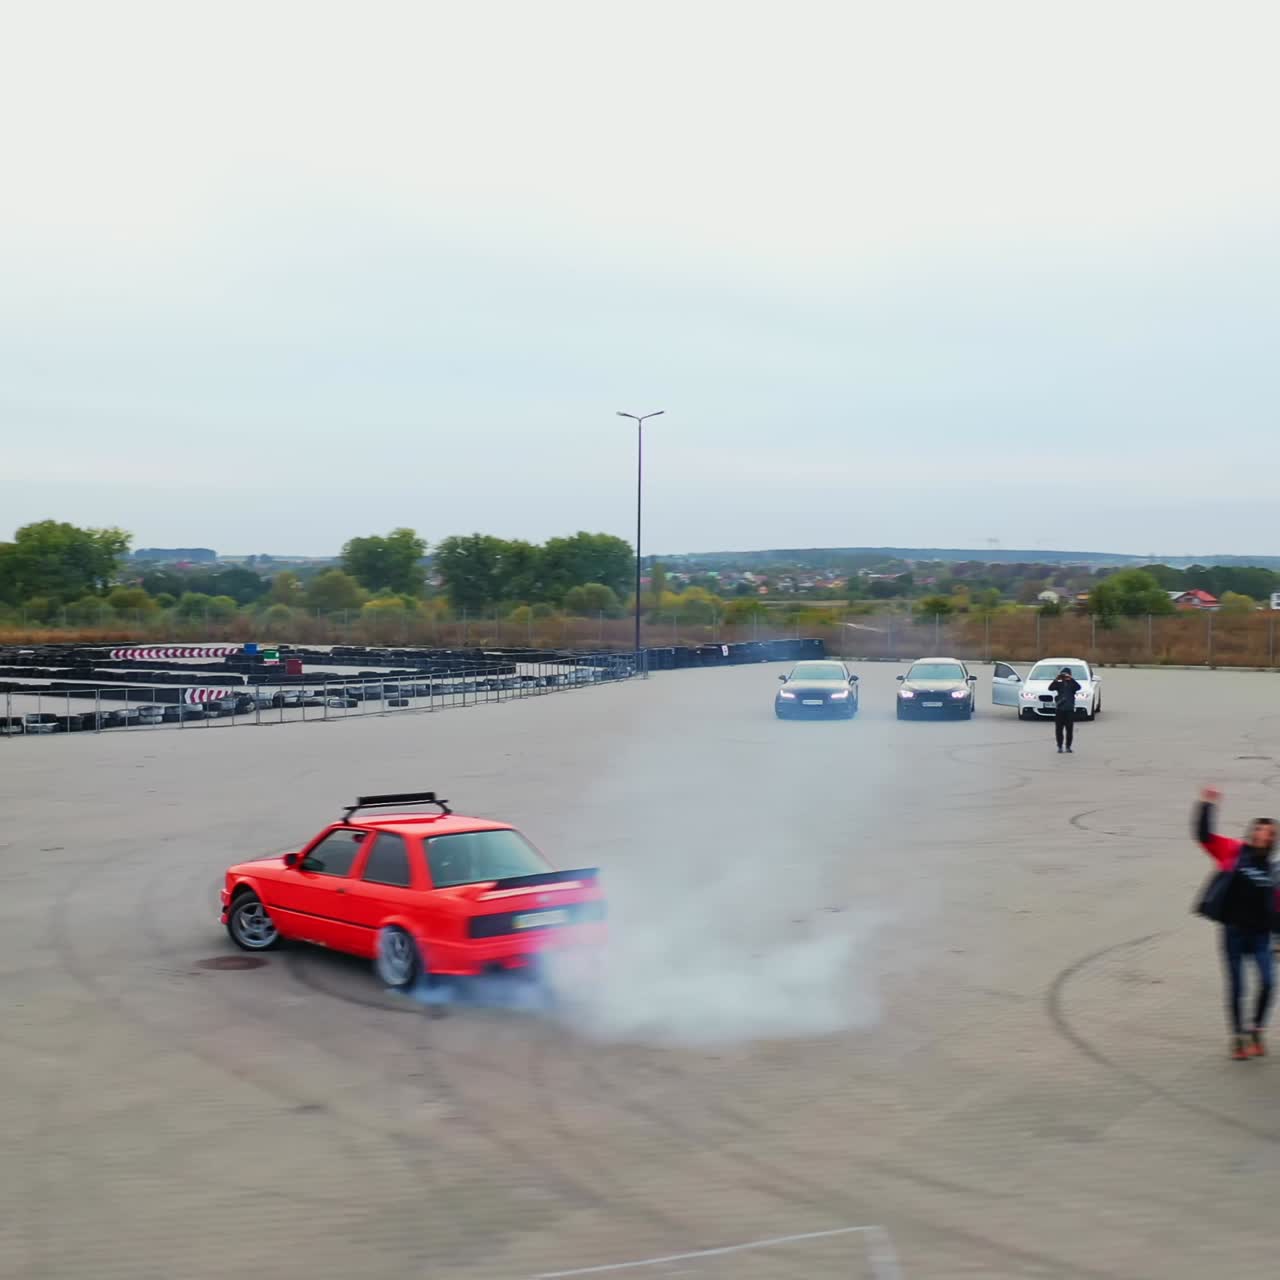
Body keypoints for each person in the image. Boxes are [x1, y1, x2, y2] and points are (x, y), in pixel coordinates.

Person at [1195, 786, 1278, 1060]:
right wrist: (1207, 805)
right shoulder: (1233, 851)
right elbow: (1204, 837)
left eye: (1268, 831)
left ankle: (1256, 1029)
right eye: (1259, 829)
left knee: (1268, 982)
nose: (1262, 833)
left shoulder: (1273, 870)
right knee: (1237, 987)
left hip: (1260, 936)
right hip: (1233, 933)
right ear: (1253, 832)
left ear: (1273, 839)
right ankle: (1238, 1037)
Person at [1049, 666, 1081, 753]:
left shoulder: (1072, 684)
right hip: (1060, 710)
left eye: (1066, 675)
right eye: (1063, 675)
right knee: (1059, 729)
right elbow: (1050, 688)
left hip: (1069, 710)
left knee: (1069, 729)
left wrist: (1071, 679)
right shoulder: (1059, 683)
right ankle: (1059, 746)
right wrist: (1056, 679)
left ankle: (1068, 746)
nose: (1064, 676)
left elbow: (1078, 687)